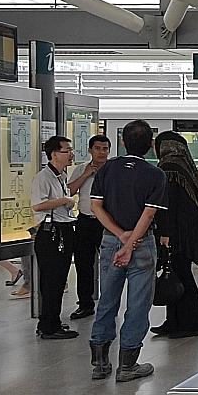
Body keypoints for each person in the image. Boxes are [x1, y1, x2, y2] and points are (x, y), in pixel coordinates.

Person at [87, 120, 166, 383]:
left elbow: (96, 207)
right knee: (138, 304)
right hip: (141, 245)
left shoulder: (107, 169)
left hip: (111, 241)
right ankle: (127, 365)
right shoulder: (155, 174)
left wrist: (119, 236)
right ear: (150, 144)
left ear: (122, 142)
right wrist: (131, 242)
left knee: (107, 300)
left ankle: (99, 363)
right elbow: (149, 211)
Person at [147, 132, 198, 338]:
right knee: (175, 273)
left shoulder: (169, 167)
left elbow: (167, 205)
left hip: (177, 231)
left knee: (180, 275)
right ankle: (174, 321)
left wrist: (165, 232)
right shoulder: (186, 166)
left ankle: (189, 324)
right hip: (188, 229)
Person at [29, 135, 80, 340]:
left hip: (65, 228)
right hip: (51, 233)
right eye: (66, 151)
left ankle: (54, 321)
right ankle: (48, 325)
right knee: (51, 280)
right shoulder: (43, 178)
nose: (71, 154)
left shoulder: (61, 175)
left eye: (71, 150)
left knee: (59, 280)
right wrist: (64, 200)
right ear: (54, 154)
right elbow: (37, 205)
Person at [66, 133, 111, 320]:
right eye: (97, 149)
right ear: (90, 150)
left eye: (105, 149)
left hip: (107, 223)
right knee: (84, 264)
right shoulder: (81, 169)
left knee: (109, 265)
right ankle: (85, 304)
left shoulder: (113, 169)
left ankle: (109, 303)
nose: (101, 152)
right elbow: (69, 191)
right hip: (85, 220)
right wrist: (86, 175)